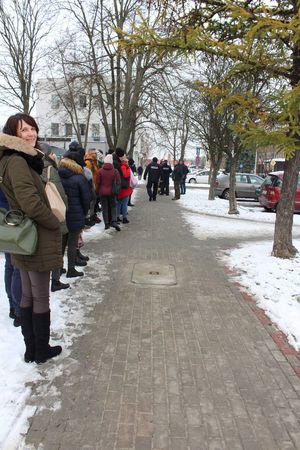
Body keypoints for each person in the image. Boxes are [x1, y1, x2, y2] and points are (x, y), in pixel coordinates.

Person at [0, 113, 62, 364]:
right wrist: (53, 222)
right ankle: (41, 349)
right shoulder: (17, 161)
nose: (30, 133)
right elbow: (30, 202)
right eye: (23, 130)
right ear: (13, 134)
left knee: (27, 294)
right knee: (39, 297)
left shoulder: (12, 159)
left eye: (32, 128)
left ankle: (31, 349)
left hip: (23, 237)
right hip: (35, 235)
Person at [39, 144, 70, 292]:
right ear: (49, 155)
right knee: (57, 248)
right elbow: (61, 196)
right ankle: (55, 281)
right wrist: (65, 210)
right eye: (53, 154)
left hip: (39, 214)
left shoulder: (32, 167)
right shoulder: (51, 169)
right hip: (54, 214)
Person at [58, 151, 91, 278]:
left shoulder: (57, 175)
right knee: (72, 243)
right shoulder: (79, 177)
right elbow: (86, 198)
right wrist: (84, 212)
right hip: (75, 215)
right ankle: (71, 269)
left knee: (61, 243)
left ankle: (59, 268)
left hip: (61, 214)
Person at [0, 188, 22, 326]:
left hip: (4, 219)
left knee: (10, 266)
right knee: (16, 267)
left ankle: (13, 306)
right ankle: (18, 309)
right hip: (12, 219)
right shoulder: (8, 170)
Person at [96, 154, 121, 231]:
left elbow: (97, 182)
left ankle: (106, 224)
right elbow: (118, 182)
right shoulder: (115, 171)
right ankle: (114, 221)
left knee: (104, 208)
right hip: (112, 192)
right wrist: (116, 191)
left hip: (102, 192)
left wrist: (97, 191)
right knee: (113, 207)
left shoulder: (100, 171)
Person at [117, 155, 132, 223]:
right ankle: (124, 218)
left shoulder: (119, 167)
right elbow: (126, 175)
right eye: (127, 162)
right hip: (125, 188)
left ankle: (117, 216)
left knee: (119, 203)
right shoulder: (126, 168)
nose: (128, 163)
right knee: (124, 204)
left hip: (120, 188)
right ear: (125, 162)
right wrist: (128, 170)